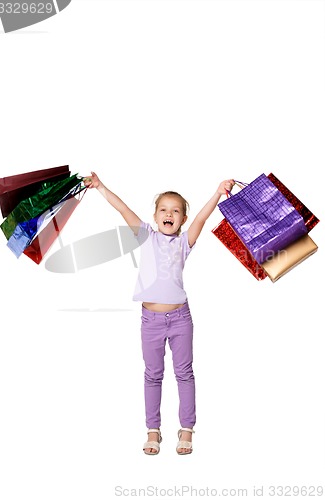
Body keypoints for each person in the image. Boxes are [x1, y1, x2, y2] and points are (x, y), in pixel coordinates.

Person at [84, 172, 234, 455]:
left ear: (182, 219)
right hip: (150, 321)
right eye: (164, 210)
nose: (169, 214)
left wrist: (217, 193)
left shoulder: (184, 243)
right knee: (153, 375)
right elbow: (123, 208)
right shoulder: (146, 237)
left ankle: (186, 429)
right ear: (155, 217)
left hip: (180, 319)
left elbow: (202, 218)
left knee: (184, 373)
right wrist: (101, 186)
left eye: (176, 211)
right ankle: (153, 430)